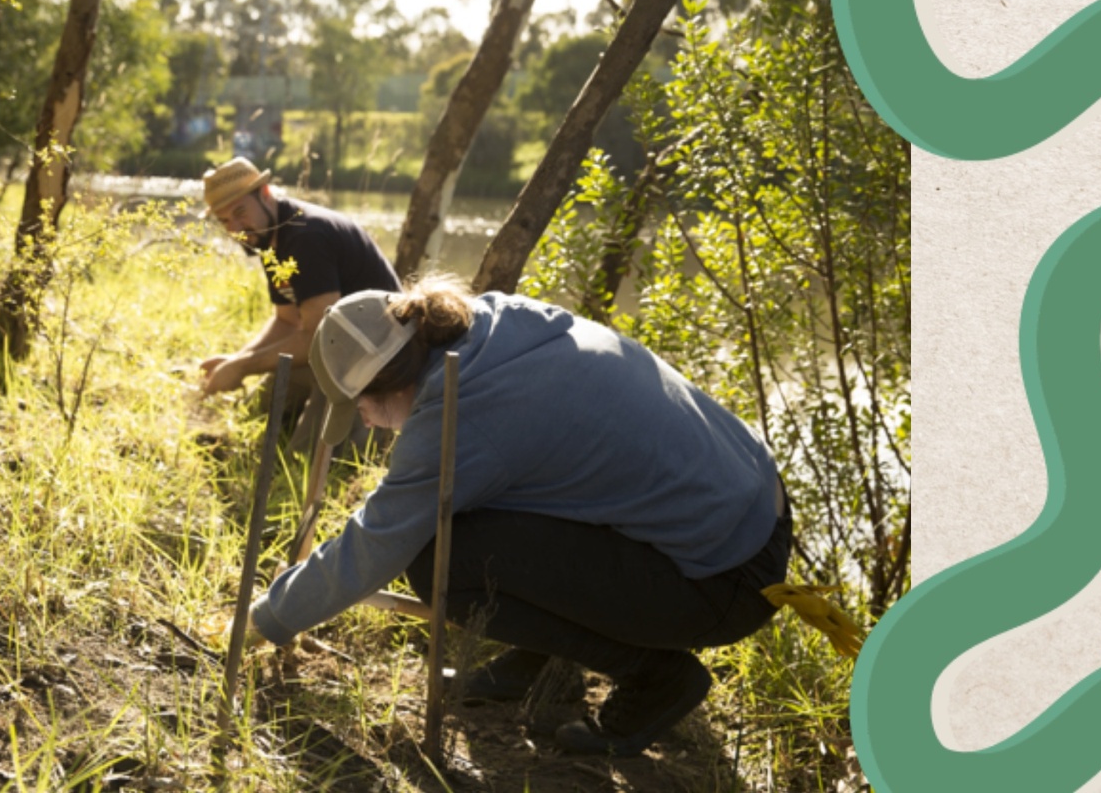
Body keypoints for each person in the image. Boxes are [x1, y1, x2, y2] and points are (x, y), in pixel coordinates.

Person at [246, 276, 792, 757]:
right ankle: (542, 658)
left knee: (441, 559)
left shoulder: (462, 413)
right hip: (755, 513)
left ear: (391, 383)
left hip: (722, 581)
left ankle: (657, 678)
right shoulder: (491, 323)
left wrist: (263, 619)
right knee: (488, 506)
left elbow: (376, 543)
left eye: (360, 406)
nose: (365, 421)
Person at [197, 157, 400, 398]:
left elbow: (318, 337)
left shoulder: (306, 236)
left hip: (382, 361)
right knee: (259, 406)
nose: (236, 230)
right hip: (342, 353)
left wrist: (241, 367)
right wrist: (235, 360)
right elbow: (287, 321)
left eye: (240, 212)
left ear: (264, 193)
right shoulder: (269, 235)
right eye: (225, 221)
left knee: (307, 432)